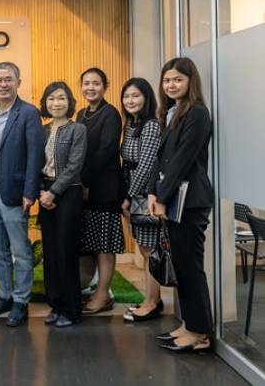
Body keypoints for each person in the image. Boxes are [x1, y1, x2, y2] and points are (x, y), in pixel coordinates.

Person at [147, 58, 213, 352]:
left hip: (191, 201)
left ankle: (200, 333)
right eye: (167, 80)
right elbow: (161, 159)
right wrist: (152, 192)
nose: (171, 85)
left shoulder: (197, 113)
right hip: (174, 199)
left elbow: (182, 161)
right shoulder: (172, 112)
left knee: (190, 268)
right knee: (183, 267)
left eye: (177, 80)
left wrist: (161, 197)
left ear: (190, 81)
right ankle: (189, 324)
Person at [0, 62, 43, 327]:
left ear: (18, 82)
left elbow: (35, 156)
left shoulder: (28, 113)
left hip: (16, 195)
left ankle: (21, 301)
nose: (3, 84)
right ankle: (4, 295)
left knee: (21, 251)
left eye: (8, 79)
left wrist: (30, 192)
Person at [38, 82, 87, 328]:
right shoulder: (42, 130)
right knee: (50, 252)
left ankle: (71, 309)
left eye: (61, 98)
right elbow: (35, 162)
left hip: (68, 193)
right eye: (51, 99)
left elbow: (74, 166)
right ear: (45, 103)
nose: (56, 103)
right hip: (44, 193)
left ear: (69, 102)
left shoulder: (77, 129)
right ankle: (56, 304)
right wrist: (41, 191)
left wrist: (53, 193)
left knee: (66, 251)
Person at [77, 67, 125, 315]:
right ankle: (95, 290)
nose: (91, 88)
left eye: (96, 83)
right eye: (86, 83)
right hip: (83, 189)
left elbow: (105, 152)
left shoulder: (111, 114)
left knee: (104, 245)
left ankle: (103, 295)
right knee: (91, 243)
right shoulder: (81, 113)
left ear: (105, 86)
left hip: (105, 189)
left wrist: (84, 181)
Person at [119, 78, 163, 323]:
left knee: (150, 250)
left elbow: (146, 165)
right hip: (132, 190)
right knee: (145, 249)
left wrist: (129, 196)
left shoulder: (151, 125)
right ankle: (152, 299)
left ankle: (151, 304)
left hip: (144, 194)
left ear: (146, 98)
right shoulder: (131, 124)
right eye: (126, 96)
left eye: (135, 96)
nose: (130, 100)